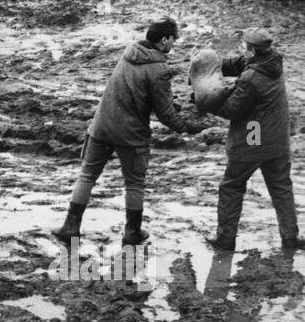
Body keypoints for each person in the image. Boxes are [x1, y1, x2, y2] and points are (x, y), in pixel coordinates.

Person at [52, 17, 204, 247]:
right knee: (134, 183)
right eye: (174, 39)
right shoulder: (159, 70)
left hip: (101, 125)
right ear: (164, 40)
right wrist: (187, 127)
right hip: (130, 134)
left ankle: (70, 227)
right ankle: (132, 232)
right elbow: (165, 114)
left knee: (87, 176)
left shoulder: (130, 51)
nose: (175, 43)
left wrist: (167, 101)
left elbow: (140, 91)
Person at [207, 28, 302, 251]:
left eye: (244, 46)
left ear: (251, 50)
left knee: (232, 185)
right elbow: (242, 63)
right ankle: (290, 239)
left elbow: (232, 109)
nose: (241, 49)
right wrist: (214, 63)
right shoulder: (273, 62)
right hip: (278, 142)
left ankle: (225, 238)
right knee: (281, 188)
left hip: (254, 138)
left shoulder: (250, 79)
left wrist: (207, 101)